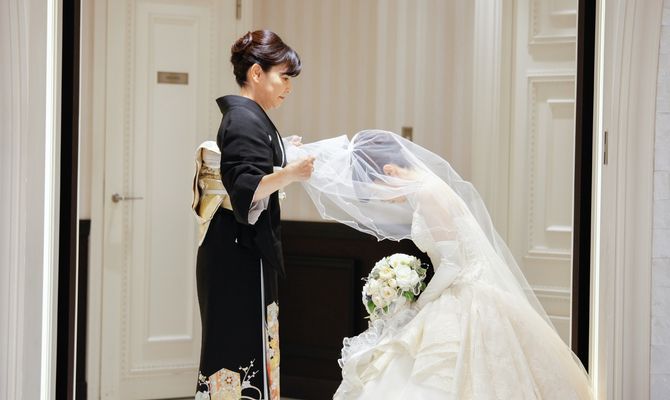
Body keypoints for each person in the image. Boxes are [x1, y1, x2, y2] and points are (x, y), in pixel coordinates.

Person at [286, 130, 593, 399]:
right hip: (461, 291)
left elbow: (453, 263)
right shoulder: (428, 189)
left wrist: (419, 305)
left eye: (376, 190)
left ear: (389, 171)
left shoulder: (427, 193)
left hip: (465, 296)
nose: (380, 200)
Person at [192, 30, 314, 400]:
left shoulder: (249, 118)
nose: (288, 87)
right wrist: (290, 173)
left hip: (237, 249)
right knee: (238, 350)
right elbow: (245, 185)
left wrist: (282, 151)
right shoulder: (244, 120)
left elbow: (251, 168)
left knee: (247, 347)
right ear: (257, 73)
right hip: (237, 253)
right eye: (284, 77)